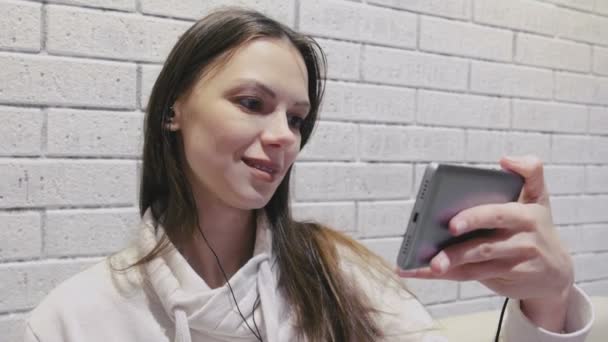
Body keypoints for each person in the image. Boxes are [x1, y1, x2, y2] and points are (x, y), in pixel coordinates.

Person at [24, 8, 593, 342]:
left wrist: (549, 304)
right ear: (173, 109)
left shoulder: (336, 275)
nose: (284, 136)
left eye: (297, 118)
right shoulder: (73, 319)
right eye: (251, 103)